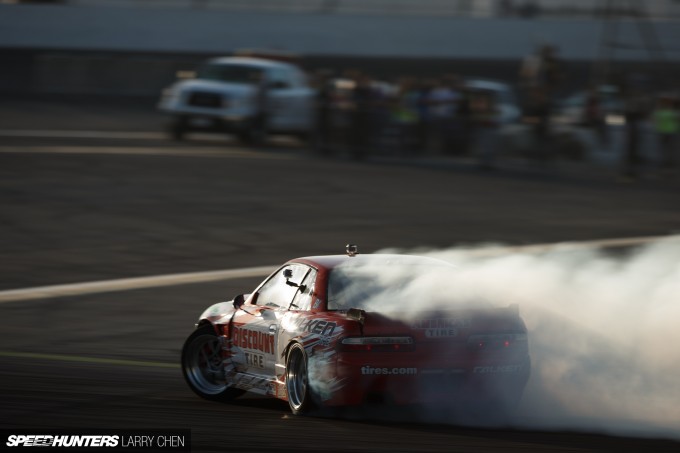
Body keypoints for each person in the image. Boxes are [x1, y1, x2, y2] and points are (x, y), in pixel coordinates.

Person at [653, 95, 679, 177]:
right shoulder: (672, 112)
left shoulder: (660, 112)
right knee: (670, 149)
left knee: (663, 148)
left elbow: (655, 119)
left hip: (663, 131)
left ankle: (664, 162)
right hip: (670, 131)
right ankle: (669, 162)